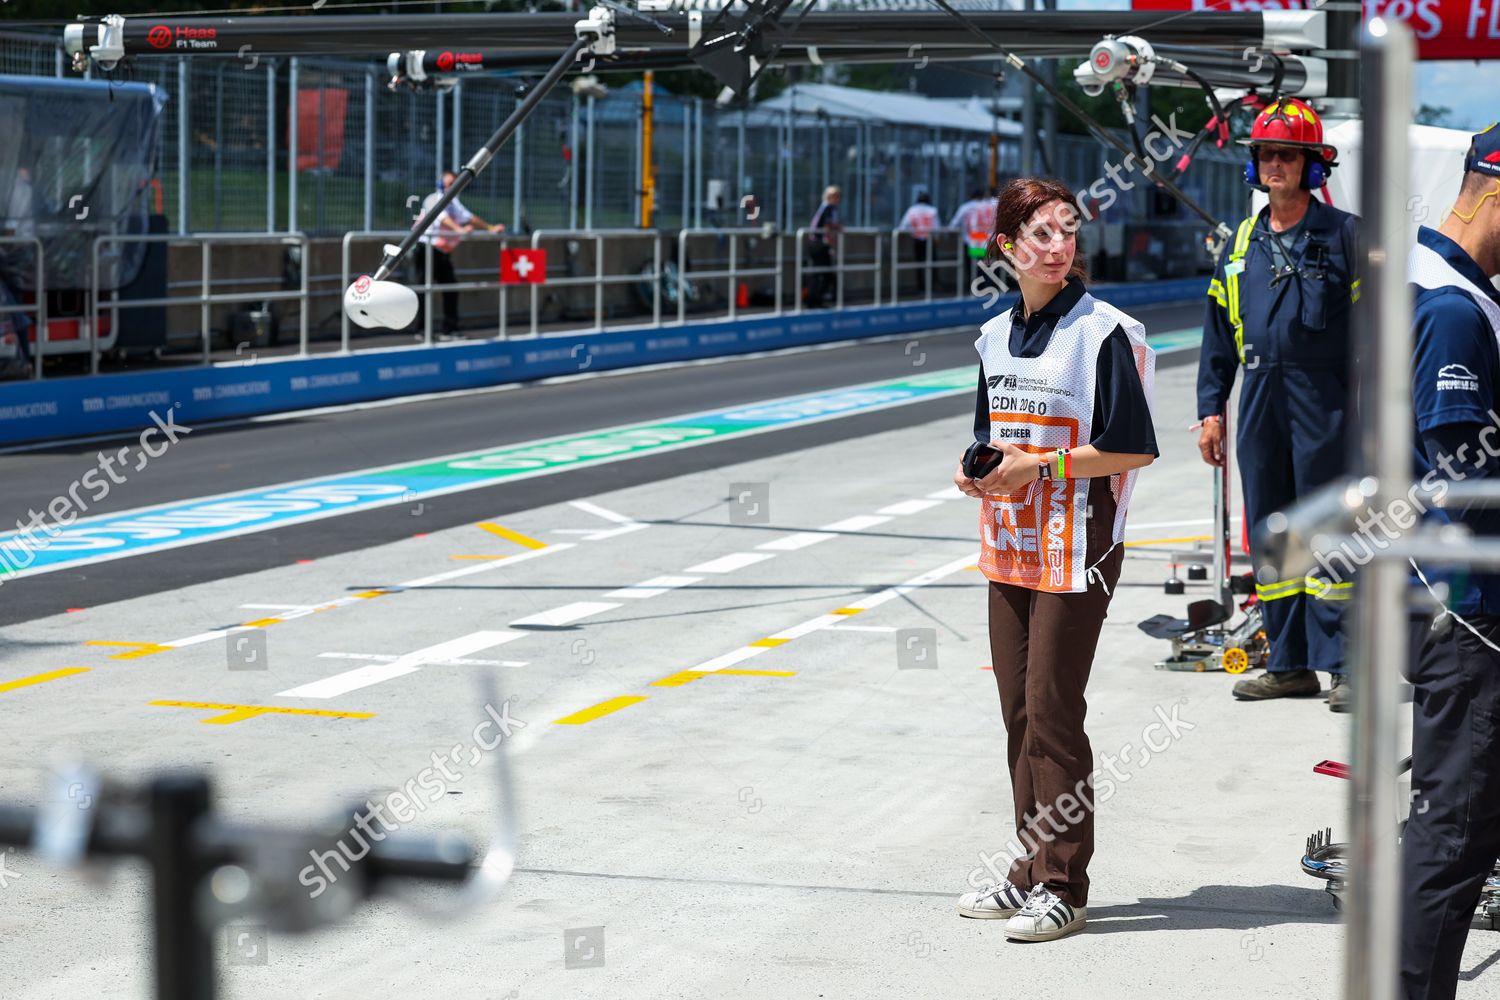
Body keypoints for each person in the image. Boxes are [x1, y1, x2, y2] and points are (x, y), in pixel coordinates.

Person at [954, 176, 1157, 942]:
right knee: (1016, 712)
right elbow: (993, 433)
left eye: (1066, 231)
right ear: (1007, 246)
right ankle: (1030, 869)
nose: (1058, 246)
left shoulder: (1104, 332)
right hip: (1010, 545)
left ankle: (1065, 885)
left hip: (1080, 547)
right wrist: (975, 467)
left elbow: (1132, 447)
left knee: (1052, 711)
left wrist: (1038, 470)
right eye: (1039, 233)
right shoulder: (993, 335)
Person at [1195, 98, 1360, 711]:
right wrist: (1212, 408)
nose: (1274, 164)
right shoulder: (1239, 243)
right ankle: (1289, 664)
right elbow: (1218, 333)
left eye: (1287, 154)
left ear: (1314, 165)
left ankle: (1345, 665)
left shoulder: (1346, 234)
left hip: (1329, 398)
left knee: (1333, 529)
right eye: (1266, 153)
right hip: (1261, 396)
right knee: (1274, 533)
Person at [1402, 124, 1500, 1000]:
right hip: (1466, 608)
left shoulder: (1450, 288)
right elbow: (1462, 473)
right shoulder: (1453, 309)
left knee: (1463, 826)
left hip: (1453, 605)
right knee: (1452, 832)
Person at [415, 169, 504, 336]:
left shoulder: (454, 202)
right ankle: (422, 331)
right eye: (450, 184)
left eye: (456, 184)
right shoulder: (433, 199)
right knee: (424, 290)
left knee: (450, 288)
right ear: (441, 185)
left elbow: (469, 217)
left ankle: (450, 329)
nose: (453, 187)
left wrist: (490, 228)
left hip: (441, 252)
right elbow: (442, 218)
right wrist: (459, 230)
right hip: (426, 250)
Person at [805, 185, 842, 308]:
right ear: (830, 197)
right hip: (819, 244)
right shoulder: (828, 208)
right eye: (836, 196)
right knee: (823, 273)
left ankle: (815, 300)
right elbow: (827, 226)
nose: (838, 199)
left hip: (815, 243)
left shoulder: (823, 207)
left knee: (820, 272)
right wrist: (837, 229)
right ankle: (815, 301)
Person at [897, 191, 939, 295]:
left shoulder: (912, 210)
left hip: (917, 239)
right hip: (980, 238)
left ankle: (921, 287)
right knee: (932, 263)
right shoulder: (932, 210)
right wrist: (937, 238)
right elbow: (937, 227)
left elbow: (902, 226)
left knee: (920, 263)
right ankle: (932, 286)